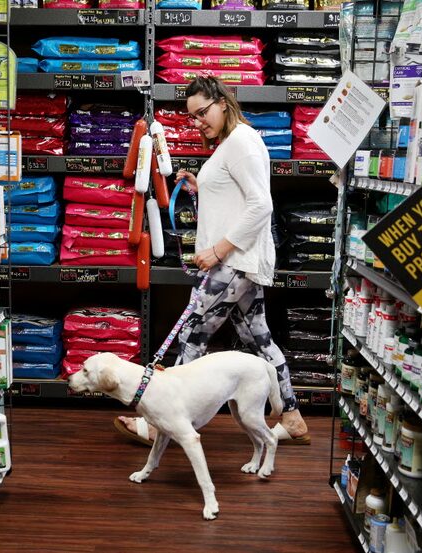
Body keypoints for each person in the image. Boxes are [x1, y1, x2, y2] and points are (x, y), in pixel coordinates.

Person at [114, 76, 311, 446]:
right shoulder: (231, 143)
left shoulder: (241, 143)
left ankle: (163, 423)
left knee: (192, 334)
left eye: (202, 112)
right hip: (238, 263)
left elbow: (262, 205)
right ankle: (292, 415)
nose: (198, 121)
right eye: (192, 117)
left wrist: (219, 250)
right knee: (259, 339)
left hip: (233, 263)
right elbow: (238, 199)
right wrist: (202, 186)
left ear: (222, 102)